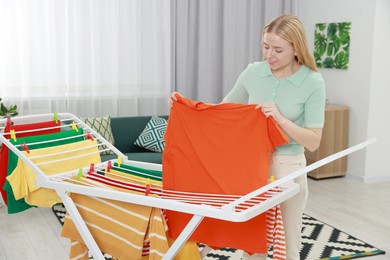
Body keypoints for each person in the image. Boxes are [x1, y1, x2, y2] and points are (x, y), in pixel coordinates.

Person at [169, 14, 325, 260]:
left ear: (296, 49)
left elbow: (314, 141)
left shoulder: (313, 82)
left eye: (278, 49)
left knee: (290, 243)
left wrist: (281, 119)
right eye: (265, 47)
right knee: (253, 240)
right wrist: (187, 106)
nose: (269, 55)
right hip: (252, 166)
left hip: (289, 168)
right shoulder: (254, 72)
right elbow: (222, 111)